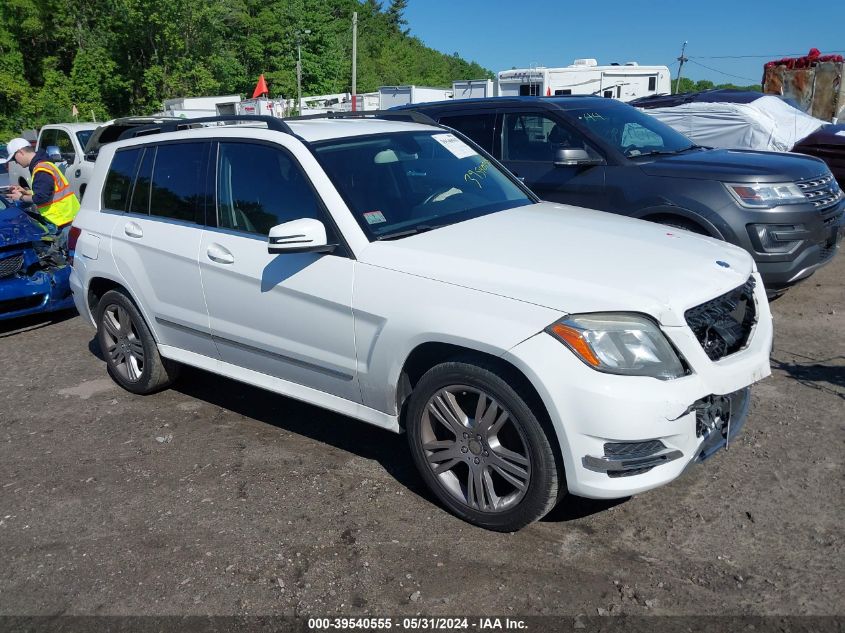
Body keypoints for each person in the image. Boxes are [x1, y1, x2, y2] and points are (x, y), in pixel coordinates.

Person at [0, 137, 80, 249]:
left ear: (21, 152)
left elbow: (41, 198)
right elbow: (48, 191)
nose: (16, 162)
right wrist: (26, 191)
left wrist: (21, 197)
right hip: (67, 217)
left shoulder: (41, 169)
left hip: (64, 221)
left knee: (69, 257)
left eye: (14, 158)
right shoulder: (43, 164)